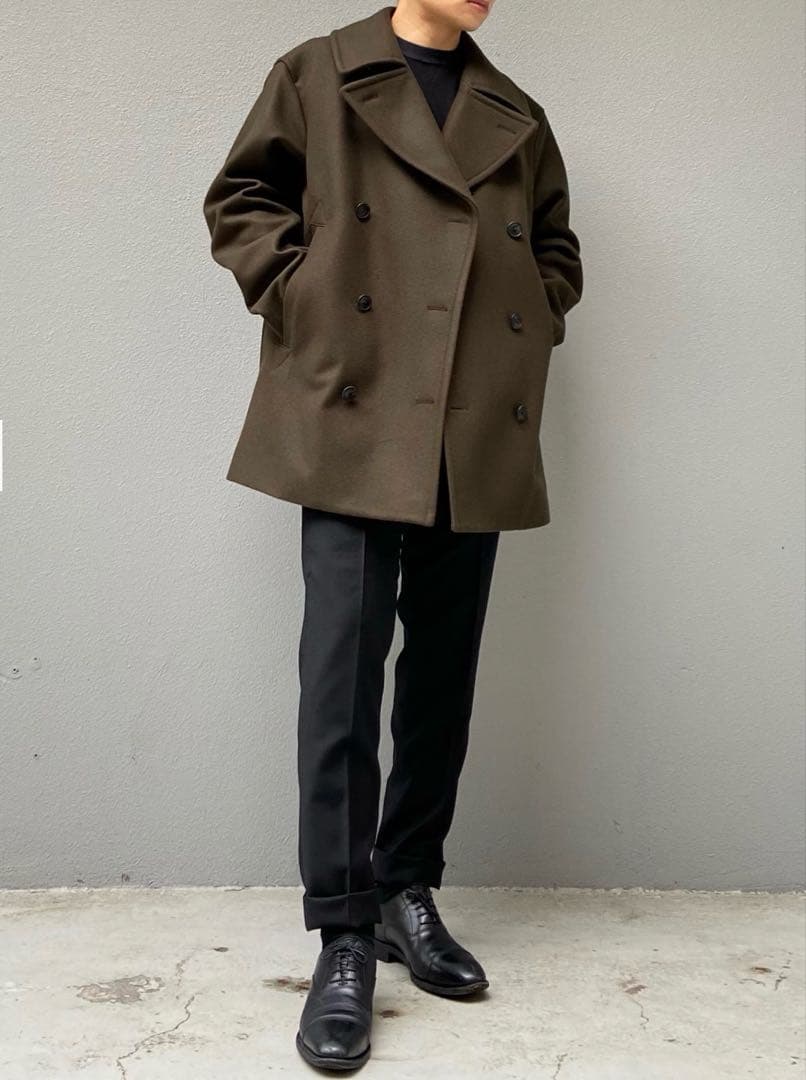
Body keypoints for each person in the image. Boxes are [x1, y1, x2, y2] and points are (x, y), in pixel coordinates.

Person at [202, 0, 582, 1069]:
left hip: (473, 415)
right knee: (342, 670)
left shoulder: (516, 111)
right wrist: (305, 295)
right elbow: (240, 198)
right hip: (358, 406)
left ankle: (409, 889)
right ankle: (343, 930)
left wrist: (532, 316)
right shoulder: (318, 72)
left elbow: (555, 247)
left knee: (441, 675)